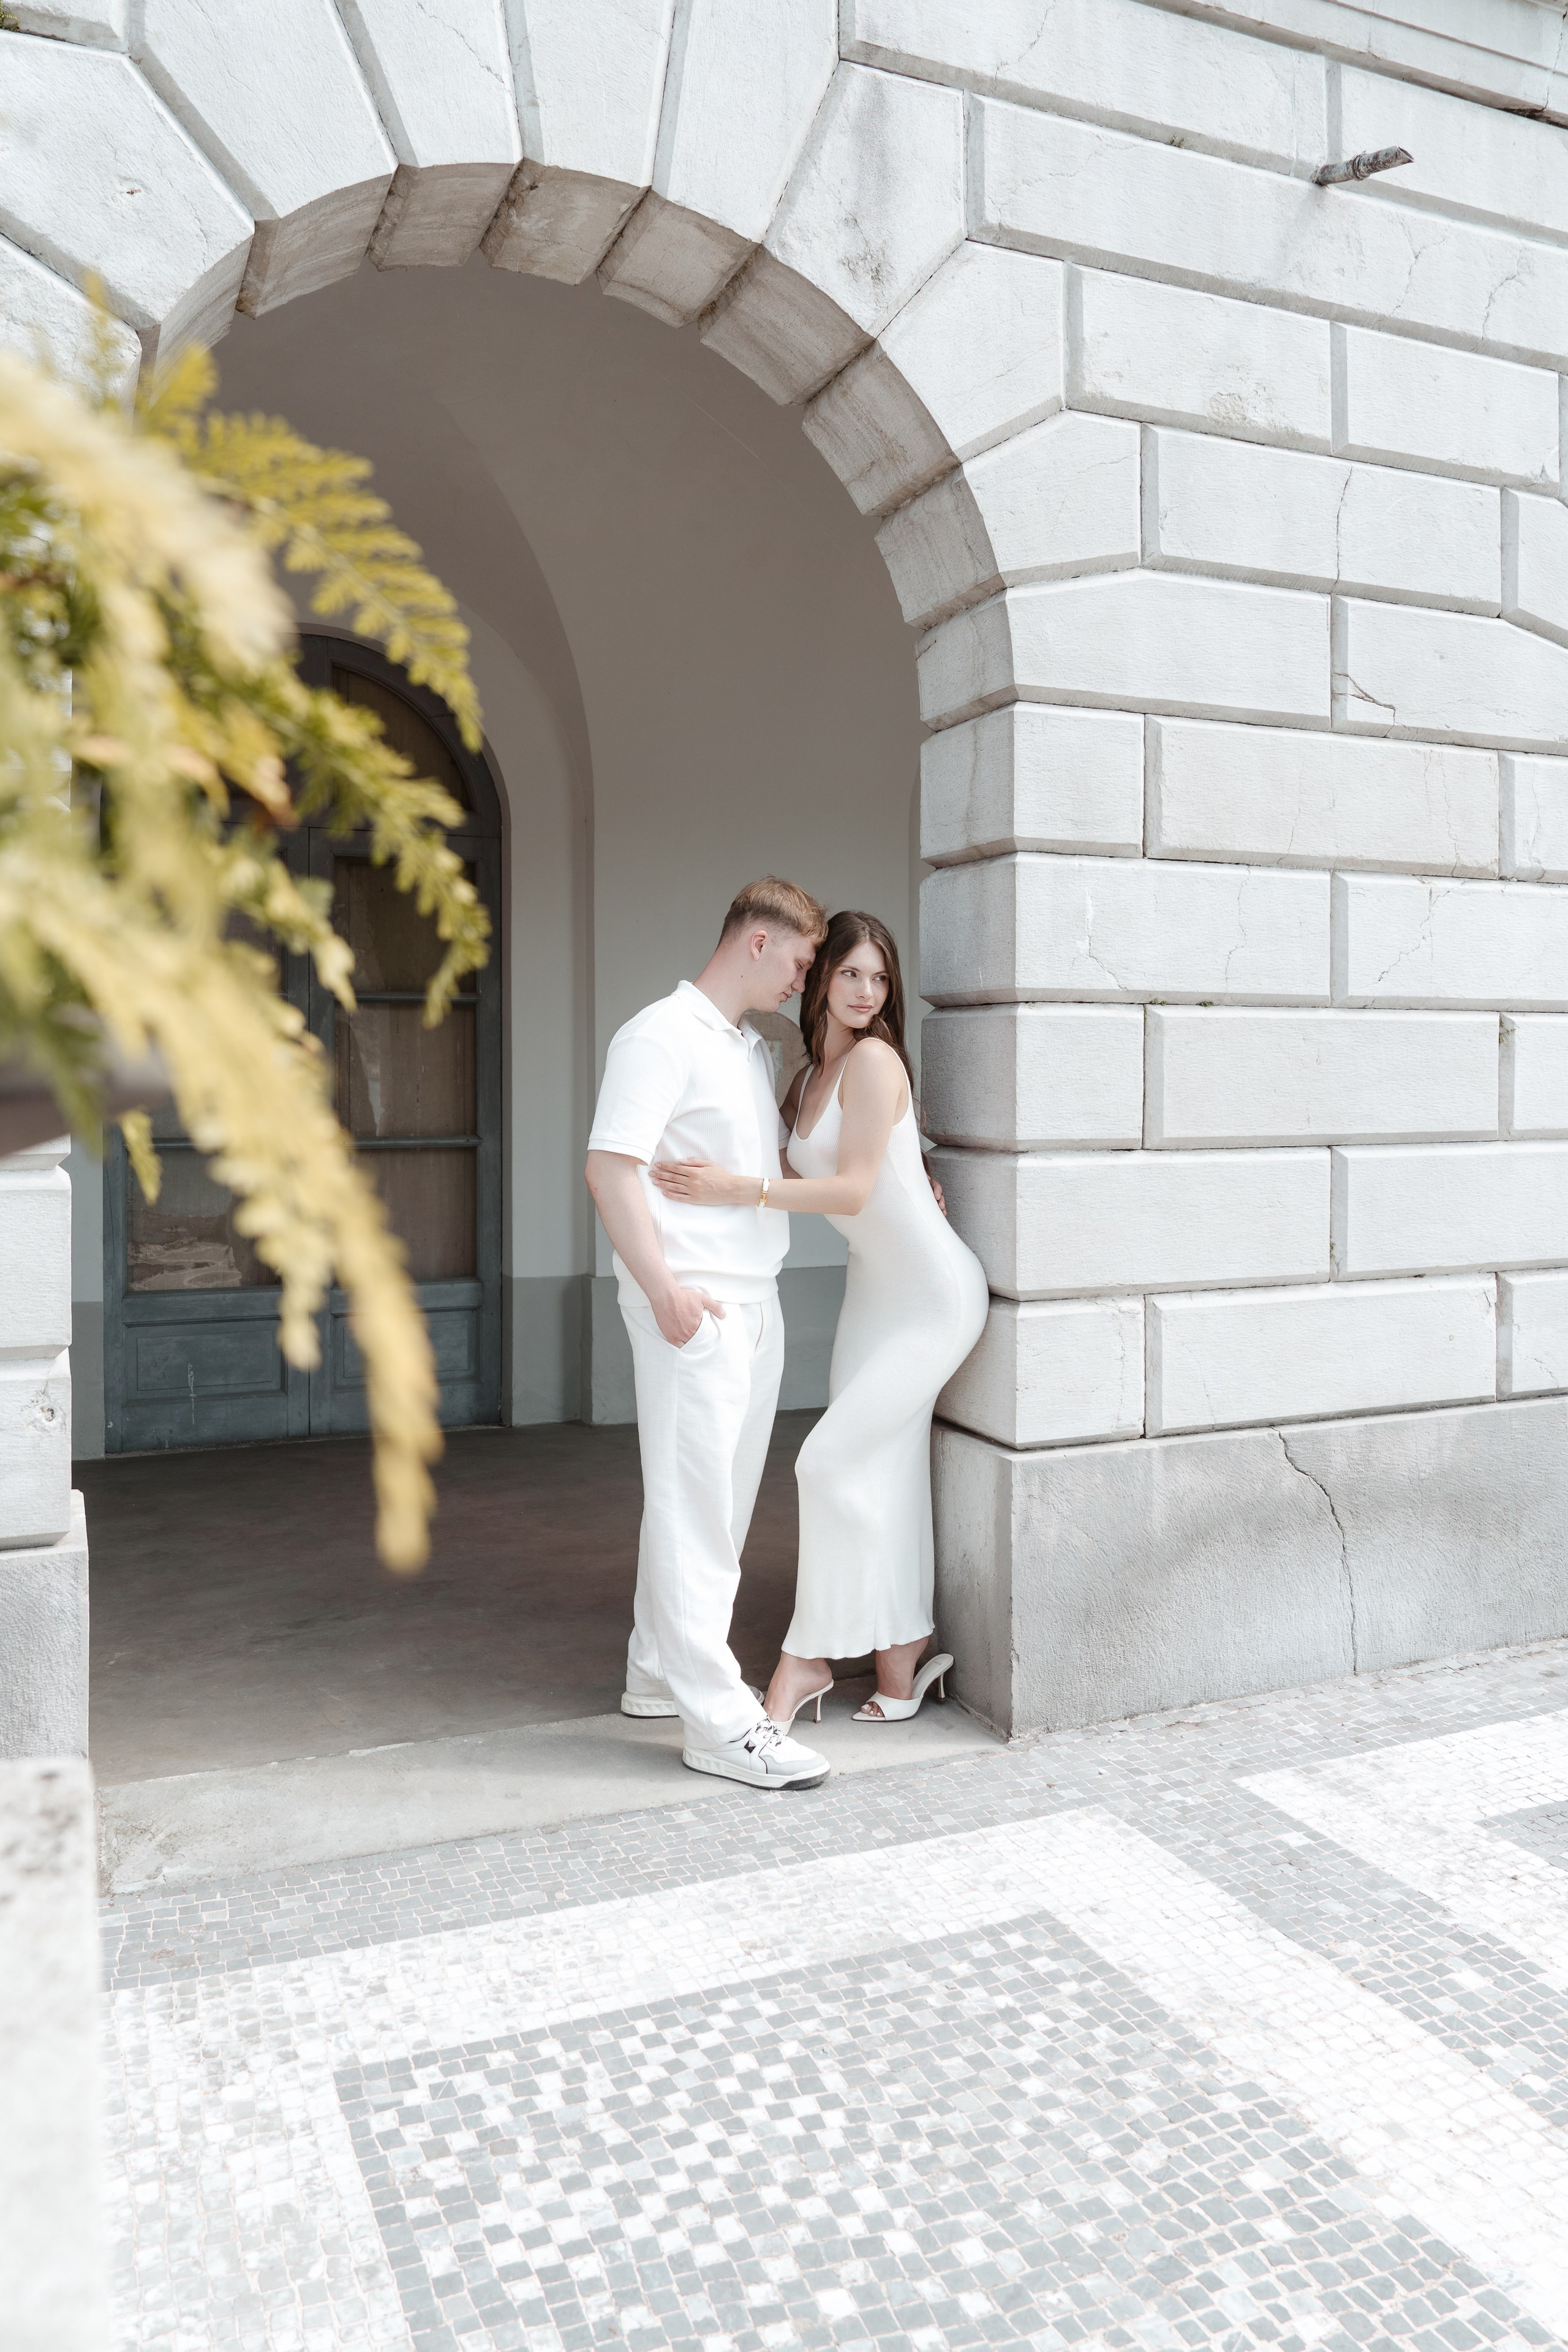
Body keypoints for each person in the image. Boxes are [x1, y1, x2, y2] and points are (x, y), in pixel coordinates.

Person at [651, 910, 987, 1735]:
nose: (868, 993)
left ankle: (805, 1662)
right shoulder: (801, 1084)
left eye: (880, 979)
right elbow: (788, 1158)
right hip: (871, 1295)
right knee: (883, 1474)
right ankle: (904, 1657)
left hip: (935, 1298)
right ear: (821, 979)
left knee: (825, 1462)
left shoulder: (875, 1062)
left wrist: (739, 1189)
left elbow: (853, 1189)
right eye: (851, 975)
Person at [584, 877, 834, 1793]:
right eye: (801, 964)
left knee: (714, 1510)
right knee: (697, 1512)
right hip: (693, 1306)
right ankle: (720, 1720)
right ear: (757, 943)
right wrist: (665, 1295)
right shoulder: (659, 1035)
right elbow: (610, 1171)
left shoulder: (747, 1050)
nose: (802, 985)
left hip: (753, 1297)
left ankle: (656, 1670)